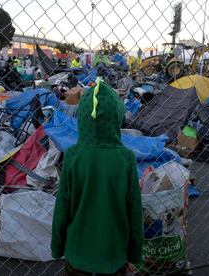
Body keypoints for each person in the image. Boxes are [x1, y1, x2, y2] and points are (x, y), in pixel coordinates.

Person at [51, 78, 144, 276]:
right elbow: (134, 210)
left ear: (82, 117)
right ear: (117, 116)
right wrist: (135, 253)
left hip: (77, 255)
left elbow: (62, 207)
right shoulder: (125, 158)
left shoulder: (73, 156)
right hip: (114, 256)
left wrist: (57, 246)